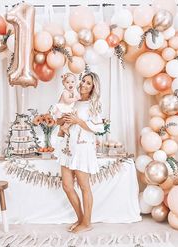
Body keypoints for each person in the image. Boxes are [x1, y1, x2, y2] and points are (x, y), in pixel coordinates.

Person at [56, 72, 104, 233]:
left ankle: (87, 223)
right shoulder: (72, 98)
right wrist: (63, 119)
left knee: (84, 186)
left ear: (93, 87)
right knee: (67, 185)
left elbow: (99, 128)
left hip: (83, 148)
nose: (84, 84)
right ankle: (81, 219)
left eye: (88, 83)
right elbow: (58, 119)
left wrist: (78, 121)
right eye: (83, 80)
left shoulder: (93, 104)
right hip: (68, 147)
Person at [52, 72, 80, 137]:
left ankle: (60, 132)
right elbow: (67, 101)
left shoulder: (73, 91)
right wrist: (75, 98)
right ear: (63, 84)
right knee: (70, 117)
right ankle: (64, 127)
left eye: (72, 82)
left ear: (75, 83)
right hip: (61, 109)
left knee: (73, 114)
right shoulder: (65, 92)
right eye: (67, 82)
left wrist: (78, 97)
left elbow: (77, 97)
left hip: (65, 109)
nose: (70, 84)